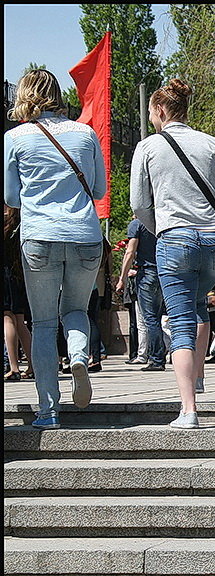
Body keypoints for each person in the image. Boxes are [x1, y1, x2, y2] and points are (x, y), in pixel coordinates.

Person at [130, 78, 215, 427]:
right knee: (199, 305)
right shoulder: (212, 143)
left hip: (175, 239)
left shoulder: (148, 147)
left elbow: (138, 204)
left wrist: (160, 224)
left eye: (151, 112)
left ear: (160, 110)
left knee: (179, 321)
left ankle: (188, 409)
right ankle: (200, 375)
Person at [4, 69, 106, 429]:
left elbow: (10, 196)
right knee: (76, 310)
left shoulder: (16, 138)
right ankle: (78, 357)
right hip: (84, 234)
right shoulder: (85, 133)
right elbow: (97, 190)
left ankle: (48, 411)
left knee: (44, 323)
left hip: (40, 236)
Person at [116, 216, 166, 372]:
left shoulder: (137, 224)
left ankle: (157, 359)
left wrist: (122, 278)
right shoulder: (162, 220)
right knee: (160, 317)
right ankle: (163, 354)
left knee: (150, 318)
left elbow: (130, 252)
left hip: (146, 274)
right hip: (165, 272)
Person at [3, 205, 33, 380]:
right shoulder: (22, 224)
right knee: (21, 321)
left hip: (6, 275)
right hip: (19, 276)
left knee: (7, 318)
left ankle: (14, 367)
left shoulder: (6, 225)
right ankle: (32, 365)